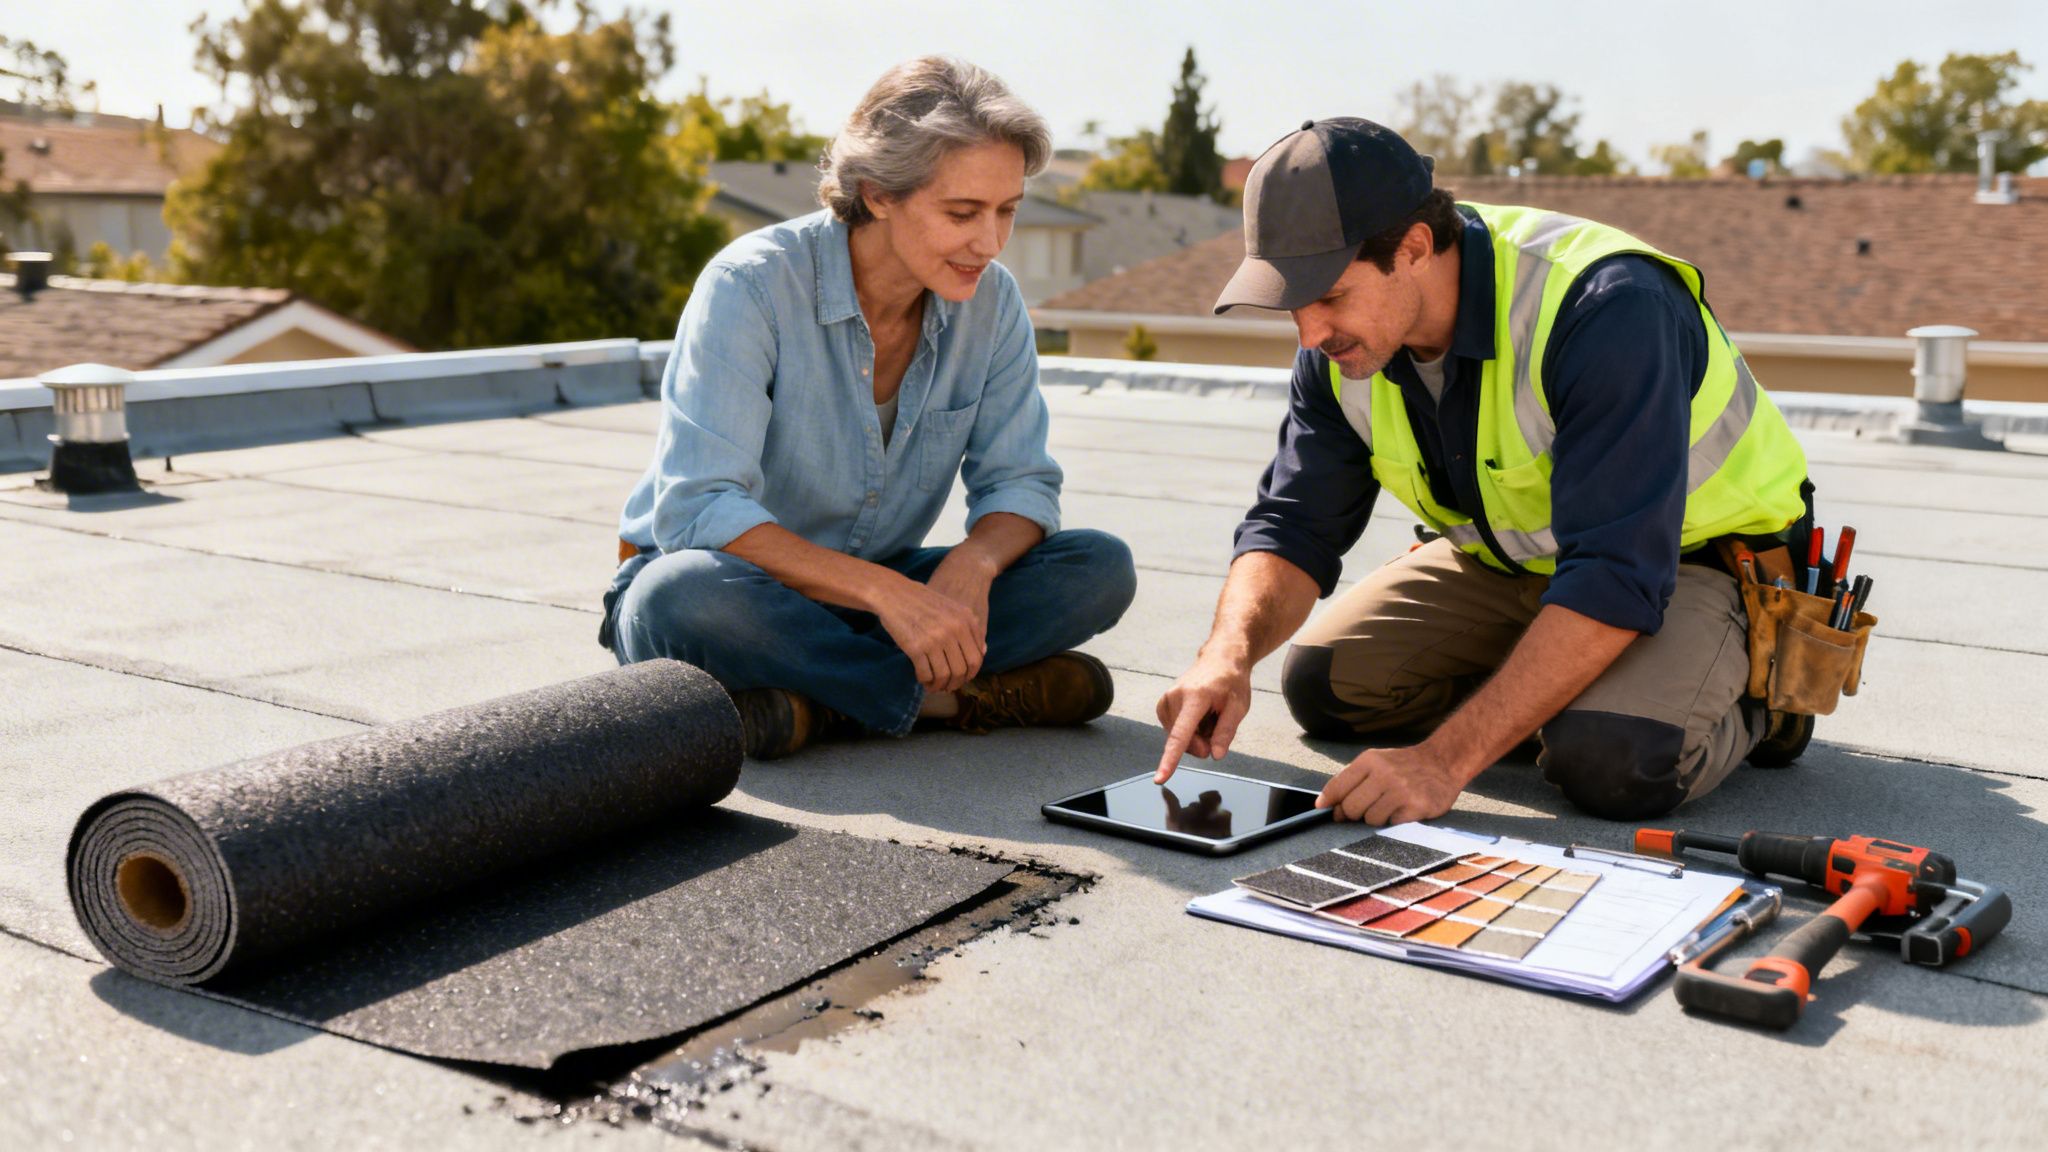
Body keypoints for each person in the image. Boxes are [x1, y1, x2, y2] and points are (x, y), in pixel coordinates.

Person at [1155, 117, 1812, 824]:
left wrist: (1442, 762)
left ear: (1413, 247)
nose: (1310, 335)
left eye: (1330, 296)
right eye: (1293, 304)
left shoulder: (1607, 307)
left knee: (1611, 760)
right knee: (1326, 686)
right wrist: (1226, 655)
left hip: (1693, 564)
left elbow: (1618, 572)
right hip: (1516, 562)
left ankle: (1758, 701)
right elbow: (1293, 524)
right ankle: (1560, 683)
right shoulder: (1341, 350)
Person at [604, 57, 1136, 759]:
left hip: (874, 599)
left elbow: (1022, 485)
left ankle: (818, 703)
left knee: (1098, 568)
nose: (991, 242)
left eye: (1007, 210)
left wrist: (973, 566)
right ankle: (948, 701)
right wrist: (892, 598)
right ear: (877, 193)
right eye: (962, 212)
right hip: (737, 588)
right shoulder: (751, 286)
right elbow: (700, 510)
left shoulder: (993, 303)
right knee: (676, 595)